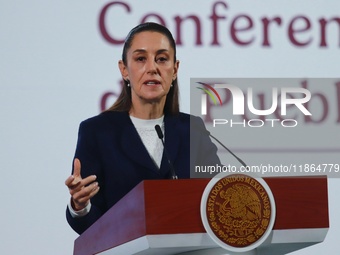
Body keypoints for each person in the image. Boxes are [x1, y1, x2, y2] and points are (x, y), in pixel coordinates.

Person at [65, 22, 220, 234]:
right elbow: (90, 226)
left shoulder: (193, 129)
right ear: (124, 69)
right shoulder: (97, 132)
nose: (152, 68)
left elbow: (219, 198)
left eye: (162, 59)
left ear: (174, 69)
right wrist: (80, 207)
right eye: (140, 59)